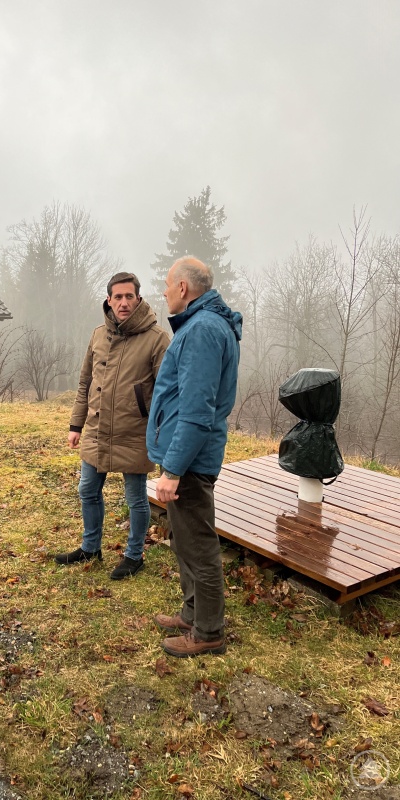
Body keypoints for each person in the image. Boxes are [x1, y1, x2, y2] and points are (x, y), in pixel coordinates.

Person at [147, 256, 242, 657]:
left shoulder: (202, 330)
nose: (164, 292)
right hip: (184, 457)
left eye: (167, 285)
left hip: (188, 461)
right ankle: (192, 613)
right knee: (185, 542)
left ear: (183, 288)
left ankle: (208, 632)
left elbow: (197, 411)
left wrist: (173, 469)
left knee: (199, 545)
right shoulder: (203, 325)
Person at [55, 272, 170, 579]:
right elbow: (85, 383)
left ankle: (135, 556)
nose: (123, 302)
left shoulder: (156, 339)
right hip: (95, 430)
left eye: (129, 296)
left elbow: (168, 392)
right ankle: (90, 546)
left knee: (135, 498)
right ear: (108, 300)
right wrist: (76, 425)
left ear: (139, 299)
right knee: (88, 489)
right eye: (117, 297)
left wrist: (161, 434)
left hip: (135, 433)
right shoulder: (98, 335)